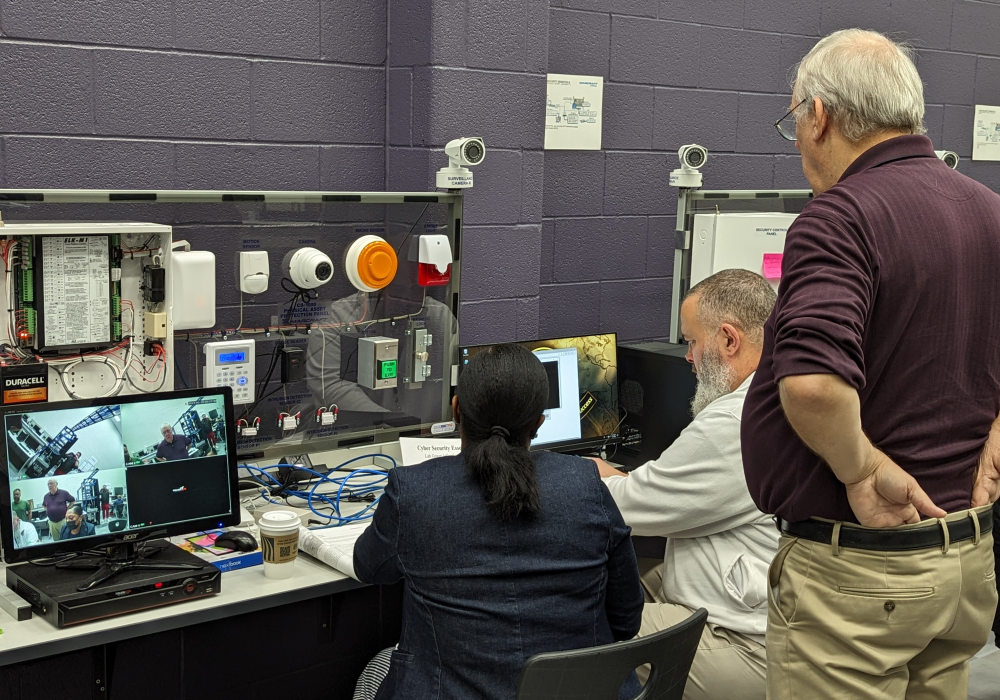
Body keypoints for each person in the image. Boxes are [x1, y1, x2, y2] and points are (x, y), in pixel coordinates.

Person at [741, 29, 1000, 700]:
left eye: (793, 121)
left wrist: (860, 469)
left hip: (862, 577)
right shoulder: (989, 211)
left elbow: (813, 384)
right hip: (964, 563)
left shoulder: (840, 219)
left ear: (819, 116)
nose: (796, 140)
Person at [352, 343, 643, 700]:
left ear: (456, 410)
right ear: (539, 423)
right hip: (578, 691)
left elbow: (368, 568)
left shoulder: (412, 492)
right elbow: (627, 620)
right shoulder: (585, 483)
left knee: (374, 672)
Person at [593, 269, 778, 700]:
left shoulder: (734, 421)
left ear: (730, 340)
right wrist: (628, 483)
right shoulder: (774, 394)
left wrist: (581, 474)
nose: (688, 358)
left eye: (692, 342)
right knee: (616, 578)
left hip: (742, 643)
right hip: (756, 604)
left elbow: (627, 508)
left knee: (584, 621)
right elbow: (666, 495)